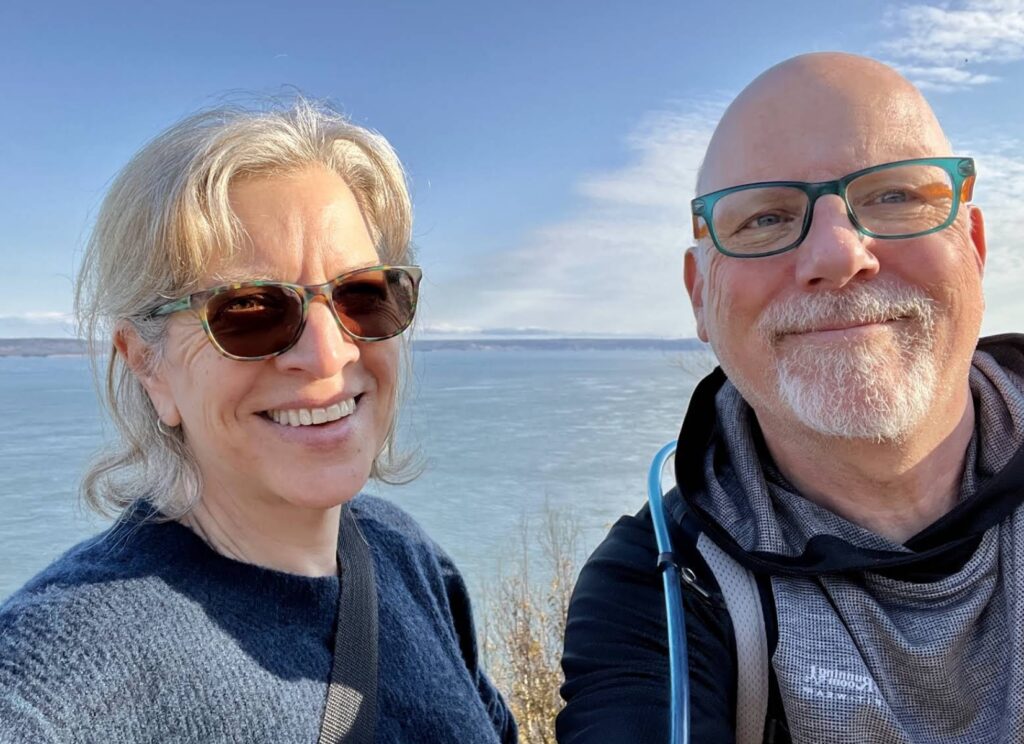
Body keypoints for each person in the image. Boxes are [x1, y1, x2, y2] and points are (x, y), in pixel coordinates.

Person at [0, 100, 516, 743]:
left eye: (363, 295)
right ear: (146, 364)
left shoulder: (406, 560)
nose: (329, 354)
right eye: (248, 308)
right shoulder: (63, 677)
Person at [558, 52, 1024, 744]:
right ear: (700, 298)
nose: (838, 254)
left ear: (975, 245)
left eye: (894, 197)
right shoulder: (660, 589)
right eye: (766, 220)